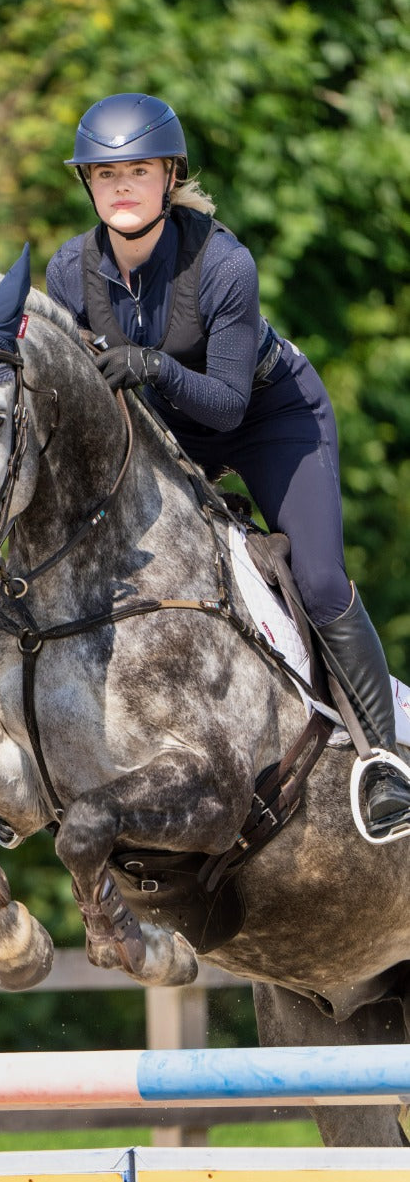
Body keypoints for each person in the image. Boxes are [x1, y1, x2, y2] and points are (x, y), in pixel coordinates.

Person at [46, 92, 410, 840]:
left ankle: (385, 760)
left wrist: (150, 363)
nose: (119, 187)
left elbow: (225, 407)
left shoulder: (223, 262)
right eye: (104, 175)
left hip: (268, 418)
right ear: (86, 184)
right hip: (167, 425)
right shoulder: (69, 272)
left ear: (168, 174)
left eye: (136, 171)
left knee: (315, 579)